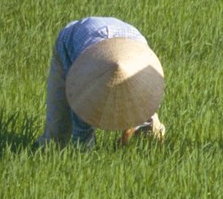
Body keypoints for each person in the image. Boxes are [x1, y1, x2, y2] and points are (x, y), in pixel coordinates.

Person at [36, 16, 165, 148]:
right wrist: (84, 155)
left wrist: (131, 129)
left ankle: (154, 136)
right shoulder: (85, 77)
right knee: (56, 135)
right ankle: (47, 149)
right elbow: (82, 132)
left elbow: (146, 98)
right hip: (71, 44)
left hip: (125, 39)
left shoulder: (142, 59)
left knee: (145, 115)